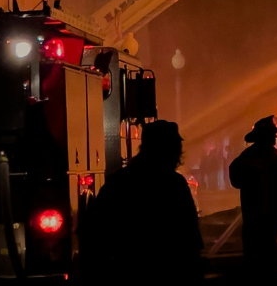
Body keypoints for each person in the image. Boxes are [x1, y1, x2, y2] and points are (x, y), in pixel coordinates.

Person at [78, 120, 201, 283]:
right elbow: (189, 236)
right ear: (168, 149)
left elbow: (94, 234)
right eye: (175, 147)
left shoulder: (118, 182)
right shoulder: (174, 185)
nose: (178, 154)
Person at [229, 116, 277, 279]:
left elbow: (235, 181)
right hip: (265, 215)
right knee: (267, 255)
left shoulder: (243, 159)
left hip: (254, 216)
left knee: (254, 257)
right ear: (264, 137)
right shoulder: (276, 158)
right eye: (272, 134)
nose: (275, 137)